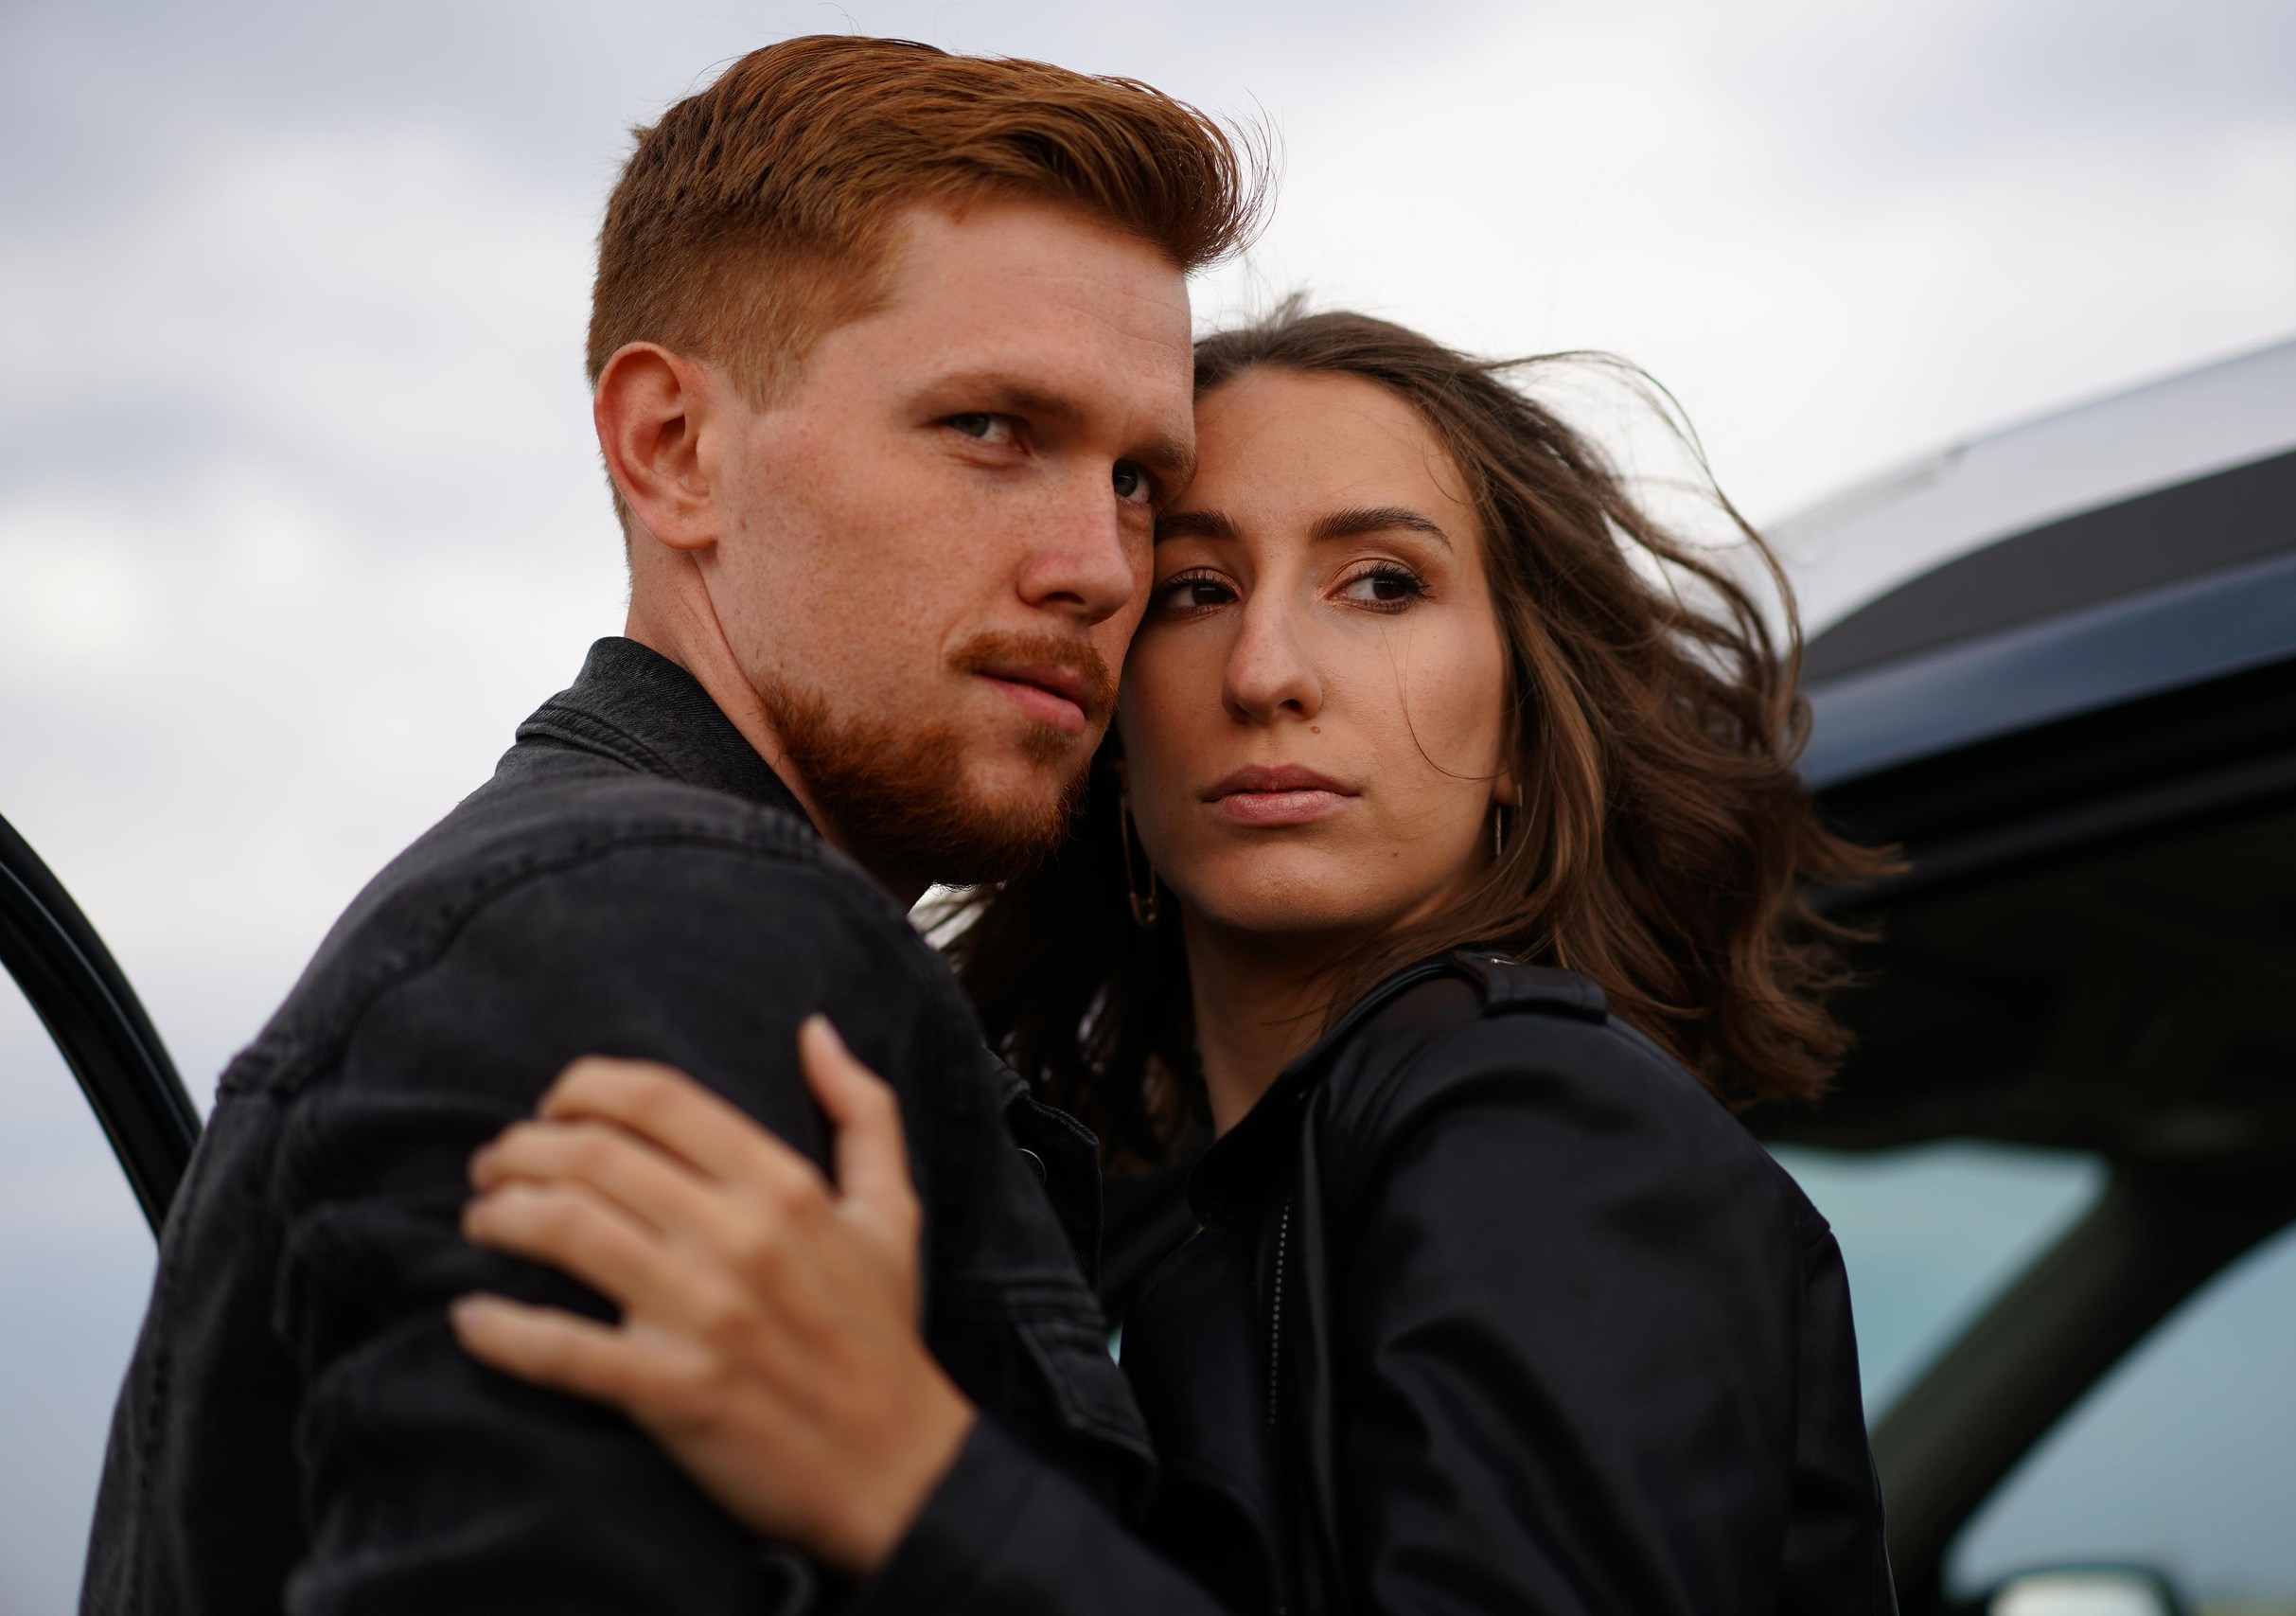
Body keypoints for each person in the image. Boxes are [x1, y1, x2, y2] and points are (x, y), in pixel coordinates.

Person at [449, 307, 1904, 1613]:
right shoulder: (1143, 1221)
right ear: (1108, 713)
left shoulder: (1541, 1124)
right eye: (1197, 591)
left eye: (1382, 584)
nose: (1268, 673)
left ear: (1523, 725)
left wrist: (907, 1479)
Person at [79, 37, 1263, 1614]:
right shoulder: (655, 935)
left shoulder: (628, 921)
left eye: (1136, 481)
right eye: (992, 429)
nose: (1100, 567)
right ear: (672, 449)